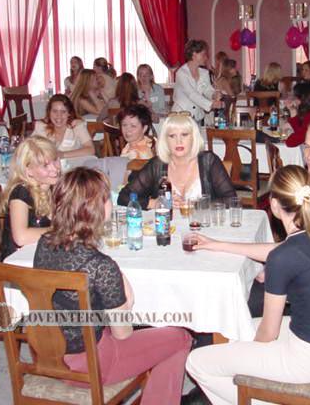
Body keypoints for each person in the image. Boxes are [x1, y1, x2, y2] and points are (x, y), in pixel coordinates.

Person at [186, 165, 310, 404]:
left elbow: (268, 334)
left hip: (306, 360)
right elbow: (277, 251)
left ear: (273, 204)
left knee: (197, 362)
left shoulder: (283, 259)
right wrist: (216, 244)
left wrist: (248, 353)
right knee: (234, 330)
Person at [33, 167, 192, 404]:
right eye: (107, 197)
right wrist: (127, 298)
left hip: (50, 358)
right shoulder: (101, 266)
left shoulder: (44, 243)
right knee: (180, 337)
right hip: (92, 366)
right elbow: (123, 333)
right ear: (98, 209)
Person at [190, 116, 310, 319]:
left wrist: (277, 271)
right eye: (307, 147)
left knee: (229, 297)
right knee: (240, 277)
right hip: (308, 273)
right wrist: (219, 245)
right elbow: (300, 246)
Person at [117, 113, 236, 209]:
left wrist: (196, 205)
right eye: (172, 136)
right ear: (165, 140)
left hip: (203, 227)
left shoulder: (209, 161)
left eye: (184, 135)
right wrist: (154, 203)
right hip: (167, 227)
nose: (178, 141)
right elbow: (123, 197)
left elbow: (231, 200)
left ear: (193, 138)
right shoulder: (157, 165)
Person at [0, 136, 59, 261]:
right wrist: (59, 231)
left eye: (55, 160)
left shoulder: (53, 187)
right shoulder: (21, 193)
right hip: (17, 262)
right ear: (29, 171)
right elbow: (21, 237)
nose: (55, 169)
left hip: (42, 252)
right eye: (45, 166)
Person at [172, 40, 223, 124]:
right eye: (203, 54)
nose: (206, 58)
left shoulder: (204, 73)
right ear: (194, 54)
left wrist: (214, 94)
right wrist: (211, 104)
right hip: (181, 116)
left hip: (197, 117)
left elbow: (207, 90)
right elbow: (191, 94)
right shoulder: (181, 73)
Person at [33, 94, 95, 158]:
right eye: (55, 111)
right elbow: (30, 148)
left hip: (74, 163)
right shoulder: (41, 126)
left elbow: (91, 150)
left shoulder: (77, 125)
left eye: (63, 112)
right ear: (49, 112)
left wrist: (63, 154)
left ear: (69, 113)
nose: (59, 115)